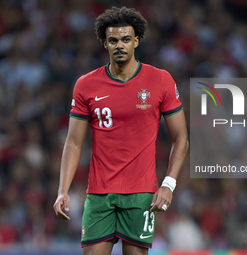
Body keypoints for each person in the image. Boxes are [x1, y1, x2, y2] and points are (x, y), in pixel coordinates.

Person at [53, 6, 189, 255]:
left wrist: (168, 185)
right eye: (113, 40)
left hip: (141, 196)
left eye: (126, 39)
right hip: (99, 194)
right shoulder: (86, 85)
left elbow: (181, 139)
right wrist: (63, 190)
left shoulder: (160, 81)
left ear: (136, 41)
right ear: (105, 43)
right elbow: (73, 143)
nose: (120, 45)